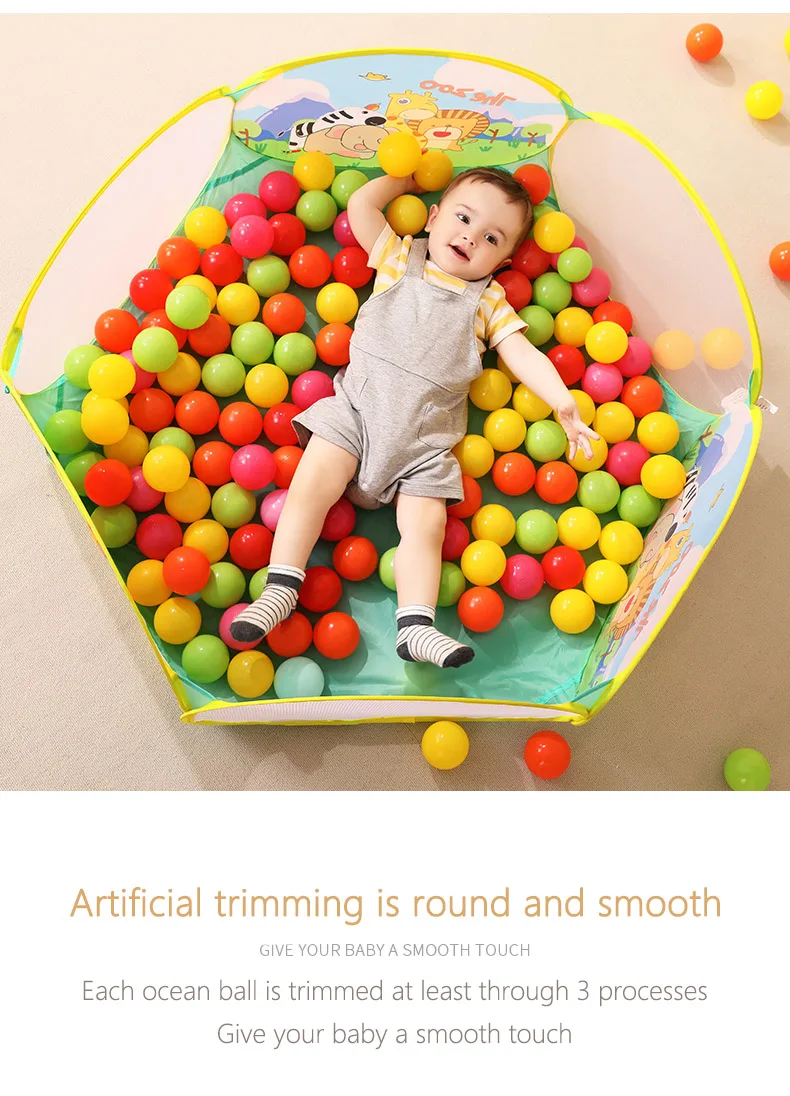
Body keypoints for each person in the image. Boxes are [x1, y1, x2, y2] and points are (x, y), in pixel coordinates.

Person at [231, 166, 598, 667]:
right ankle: (280, 588)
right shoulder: (400, 256)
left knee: (426, 528)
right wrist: (403, 181)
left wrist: (562, 401)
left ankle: (416, 626)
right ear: (432, 217)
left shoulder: (488, 301)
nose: (471, 236)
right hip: (357, 413)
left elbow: (522, 353)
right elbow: (361, 206)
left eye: (491, 237)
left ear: (503, 261)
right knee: (311, 484)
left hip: (424, 446)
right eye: (463, 218)